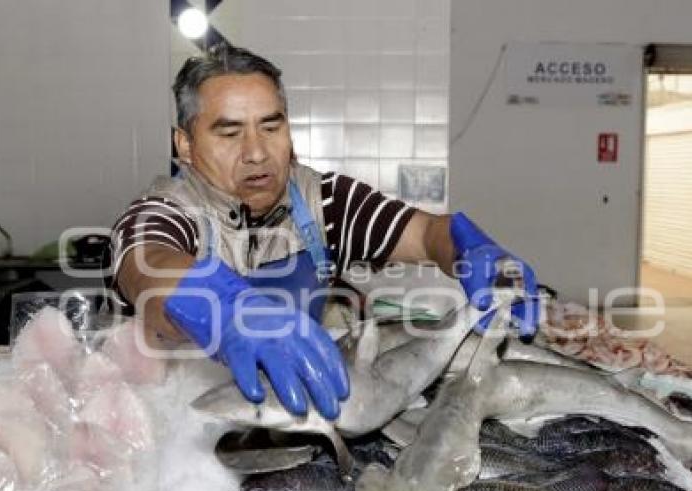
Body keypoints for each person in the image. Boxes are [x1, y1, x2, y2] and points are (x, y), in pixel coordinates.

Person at [108, 44, 539, 421]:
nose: (257, 153)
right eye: (230, 132)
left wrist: (471, 247)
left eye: (271, 127)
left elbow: (427, 234)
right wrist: (226, 305)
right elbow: (147, 264)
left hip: (300, 413)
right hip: (187, 430)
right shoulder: (165, 210)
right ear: (184, 145)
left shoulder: (323, 202)